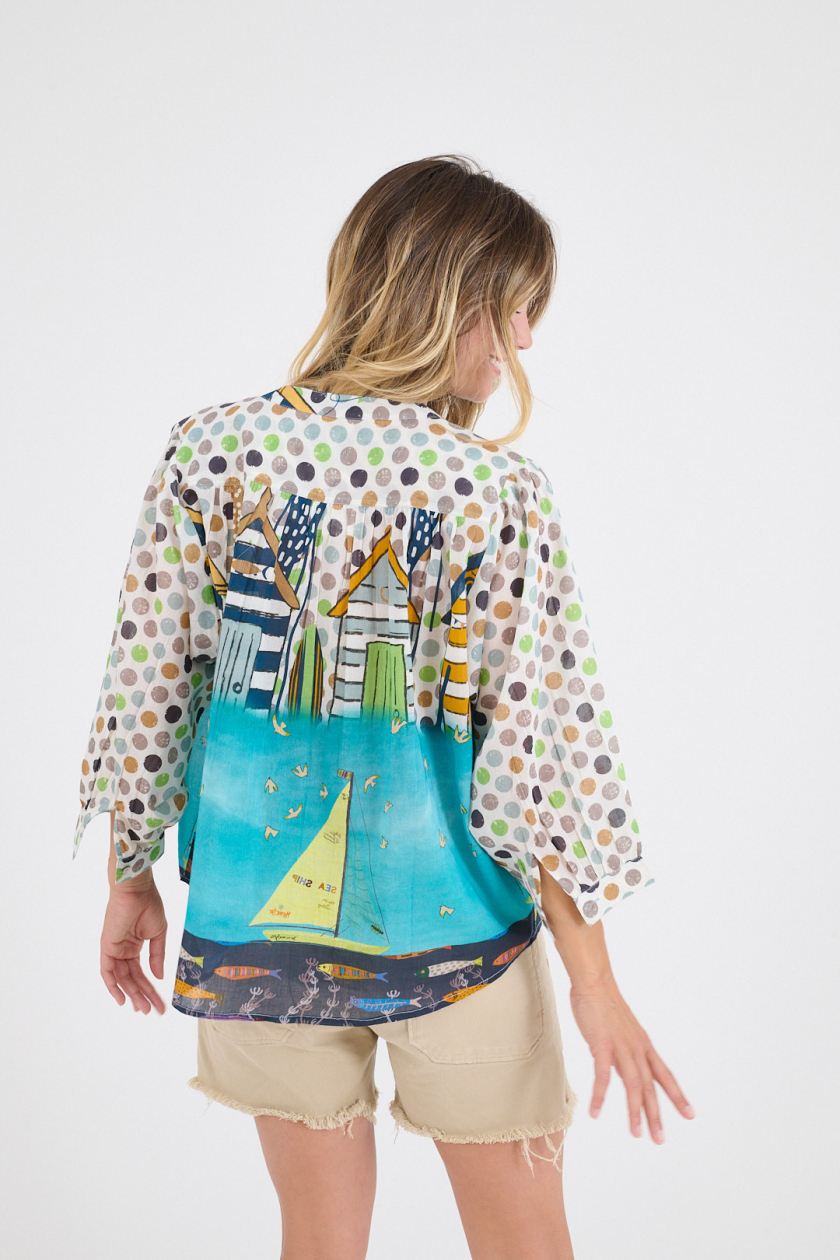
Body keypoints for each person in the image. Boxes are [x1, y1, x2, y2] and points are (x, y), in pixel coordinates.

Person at [77, 154, 694, 1260]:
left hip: (252, 930)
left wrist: (130, 874)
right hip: (461, 942)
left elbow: (148, 689)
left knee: (316, 1240)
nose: (525, 340)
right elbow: (543, 760)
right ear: (451, 299)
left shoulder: (208, 452)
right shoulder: (492, 491)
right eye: (513, 307)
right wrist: (595, 984)